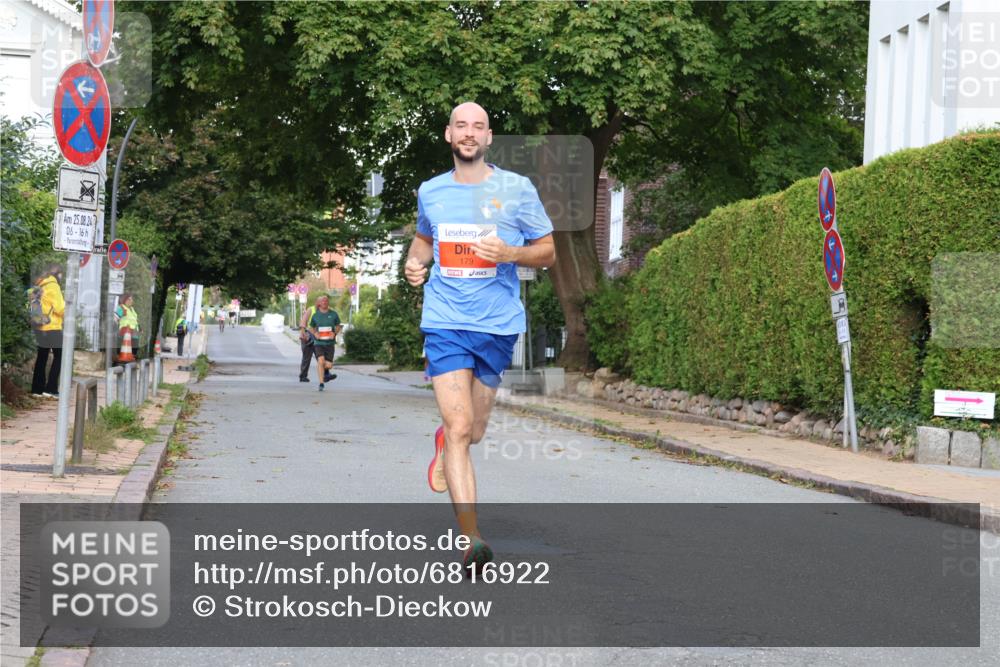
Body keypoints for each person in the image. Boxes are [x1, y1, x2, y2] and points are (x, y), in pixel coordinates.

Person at [404, 102, 555, 575]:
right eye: (461, 126)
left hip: (497, 324)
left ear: (489, 138)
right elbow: (425, 238)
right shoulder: (431, 191)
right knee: (460, 428)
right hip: (445, 319)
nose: (469, 134)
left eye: (479, 127)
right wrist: (414, 264)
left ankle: (446, 443)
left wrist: (511, 251)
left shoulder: (517, 189)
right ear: (449, 135)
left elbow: (548, 251)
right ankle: (472, 539)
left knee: (475, 431)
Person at [29, 263, 66, 397]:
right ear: (57, 274)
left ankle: (36, 389)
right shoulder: (53, 286)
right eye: (61, 273)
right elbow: (60, 309)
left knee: (42, 356)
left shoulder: (40, 285)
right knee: (60, 356)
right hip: (52, 326)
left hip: (40, 325)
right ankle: (50, 389)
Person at [306, 295, 341, 391]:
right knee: (321, 361)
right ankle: (321, 383)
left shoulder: (333, 314)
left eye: (326, 301)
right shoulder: (315, 315)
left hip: (330, 343)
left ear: (328, 303)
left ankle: (325, 372)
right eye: (323, 301)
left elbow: (338, 326)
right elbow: (311, 327)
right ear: (319, 304)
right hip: (319, 343)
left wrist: (334, 333)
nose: (325, 302)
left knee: (329, 365)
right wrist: (315, 333)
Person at [114, 293, 139, 362]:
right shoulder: (122, 307)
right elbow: (115, 319)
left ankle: (131, 359)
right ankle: (121, 358)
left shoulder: (132, 309)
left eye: (131, 299)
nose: (131, 301)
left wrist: (139, 328)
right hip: (125, 332)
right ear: (124, 300)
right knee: (123, 347)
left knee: (134, 349)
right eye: (129, 299)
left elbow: (135, 319)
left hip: (134, 332)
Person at [298, 302, 316, 382]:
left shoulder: (326, 311)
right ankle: (303, 376)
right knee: (306, 357)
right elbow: (303, 322)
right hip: (307, 337)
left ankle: (325, 374)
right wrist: (303, 333)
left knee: (321, 357)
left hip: (318, 337)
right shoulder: (311, 309)